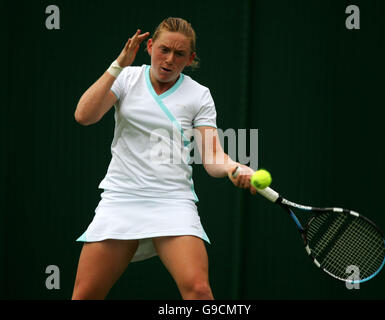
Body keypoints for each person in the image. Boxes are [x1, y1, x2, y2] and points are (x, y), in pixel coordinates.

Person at [72, 17, 256, 300]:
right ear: (149, 46)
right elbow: (84, 116)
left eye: (179, 54)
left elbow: (213, 158)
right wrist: (119, 64)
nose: (169, 59)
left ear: (190, 58)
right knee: (86, 295)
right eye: (164, 50)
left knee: (199, 290)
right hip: (122, 196)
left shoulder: (199, 95)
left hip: (172, 200)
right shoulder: (127, 77)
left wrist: (234, 166)